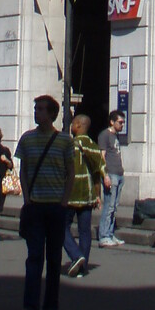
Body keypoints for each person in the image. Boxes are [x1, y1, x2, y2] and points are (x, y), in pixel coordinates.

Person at [15, 95, 75, 310]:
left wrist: (64, 201)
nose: (36, 112)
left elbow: (70, 172)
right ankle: (30, 307)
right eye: (35, 108)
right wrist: (27, 198)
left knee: (53, 259)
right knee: (34, 257)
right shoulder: (27, 139)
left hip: (56, 207)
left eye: (40, 109)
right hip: (36, 207)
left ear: (52, 114)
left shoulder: (65, 141)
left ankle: (51, 305)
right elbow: (23, 171)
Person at [62, 114, 107, 277]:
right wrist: (97, 194)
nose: (71, 126)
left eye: (73, 124)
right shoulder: (92, 145)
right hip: (87, 194)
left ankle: (76, 255)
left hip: (71, 192)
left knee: (61, 226)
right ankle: (83, 267)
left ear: (78, 125)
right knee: (85, 231)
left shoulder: (71, 144)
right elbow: (98, 170)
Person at [97, 110, 127, 248]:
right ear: (112, 122)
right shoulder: (105, 135)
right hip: (111, 174)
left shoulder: (116, 136)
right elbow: (102, 156)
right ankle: (104, 236)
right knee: (109, 206)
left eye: (123, 122)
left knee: (114, 207)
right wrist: (106, 175)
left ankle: (109, 233)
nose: (122, 125)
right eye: (120, 122)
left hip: (119, 174)